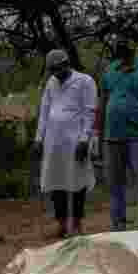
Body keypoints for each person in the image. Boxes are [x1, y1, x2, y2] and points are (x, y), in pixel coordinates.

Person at [96, 36, 138, 232]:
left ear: (134, 49)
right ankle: (118, 225)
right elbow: (103, 103)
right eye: (119, 50)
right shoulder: (110, 71)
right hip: (112, 135)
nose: (122, 54)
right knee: (115, 183)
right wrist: (96, 132)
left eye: (125, 50)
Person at [33, 50, 97, 238]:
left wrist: (85, 139)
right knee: (56, 184)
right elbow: (45, 110)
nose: (55, 73)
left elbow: (89, 111)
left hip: (75, 143)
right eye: (51, 70)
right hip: (53, 143)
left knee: (76, 185)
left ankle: (76, 224)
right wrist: (38, 139)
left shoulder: (85, 81)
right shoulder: (52, 82)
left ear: (67, 64)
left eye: (57, 69)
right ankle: (62, 223)